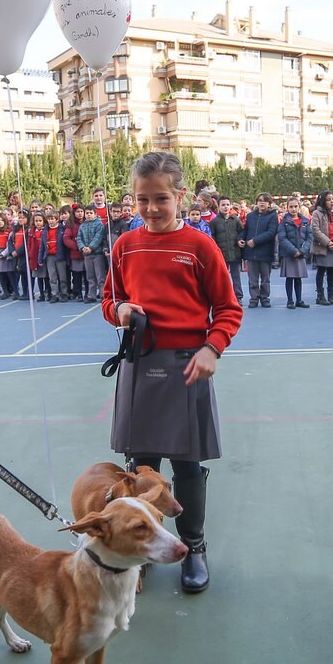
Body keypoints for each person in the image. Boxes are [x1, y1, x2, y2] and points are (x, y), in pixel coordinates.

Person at [102, 152, 242, 593]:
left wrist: (211, 348)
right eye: (142, 199)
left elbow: (228, 309)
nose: (150, 208)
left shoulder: (201, 246)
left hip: (186, 367)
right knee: (140, 468)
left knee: (186, 465)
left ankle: (194, 546)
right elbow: (109, 300)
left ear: (180, 196)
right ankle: (138, 550)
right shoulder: (125, 244)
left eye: (161, 198)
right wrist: (120, 310)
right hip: (139, 364)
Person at [240, 192, 278, 308]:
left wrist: (255, 241)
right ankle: (254, 298)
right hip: (251, 253)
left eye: (265, 201)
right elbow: (245, 230)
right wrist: (240, 239)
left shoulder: (273, 216)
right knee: (252, 278)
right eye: (260, 200)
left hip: (265, 252)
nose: (262, 202)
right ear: (256, 202)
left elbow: (271, 232)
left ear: (269, 204)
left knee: (265, 278)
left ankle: (265, 298)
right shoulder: (251, 216)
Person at [309, 191, 333, 306]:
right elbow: (315, 229)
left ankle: (331, 295)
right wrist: (328, 242)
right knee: (321, 271)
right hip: (323, 247)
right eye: (328, 199)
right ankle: (320, 295)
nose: (331, 202)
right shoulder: (317, 213)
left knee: (332, 272)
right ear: (323, 201)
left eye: (332, 199)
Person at [276, 197, 311, 309]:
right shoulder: (284, 222)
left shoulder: (305, 221)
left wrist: (302, 250)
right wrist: (293, 250)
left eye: (295, 206)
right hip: (289, 254)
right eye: (291, 207)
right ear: (287, 208)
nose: (293, 209)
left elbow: (309, 238)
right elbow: (282, 238)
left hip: (301, 254)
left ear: (299, 207)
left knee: (298, 278)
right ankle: (290, 300)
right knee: (289, 278)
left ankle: (299, 300)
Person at [210, 197, 245, 302]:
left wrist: (240, 240)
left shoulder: (235, 220)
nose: (225, 207)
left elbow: (242, 232)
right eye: (223, 205)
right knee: (221, 278)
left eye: (227, 205)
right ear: (219, 207)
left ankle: (238, 297)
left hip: (235, 253)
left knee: (236, 277)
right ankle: (222, 297)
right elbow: (212, 238)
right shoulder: (214, 222)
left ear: (230, 206)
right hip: (221, 254)